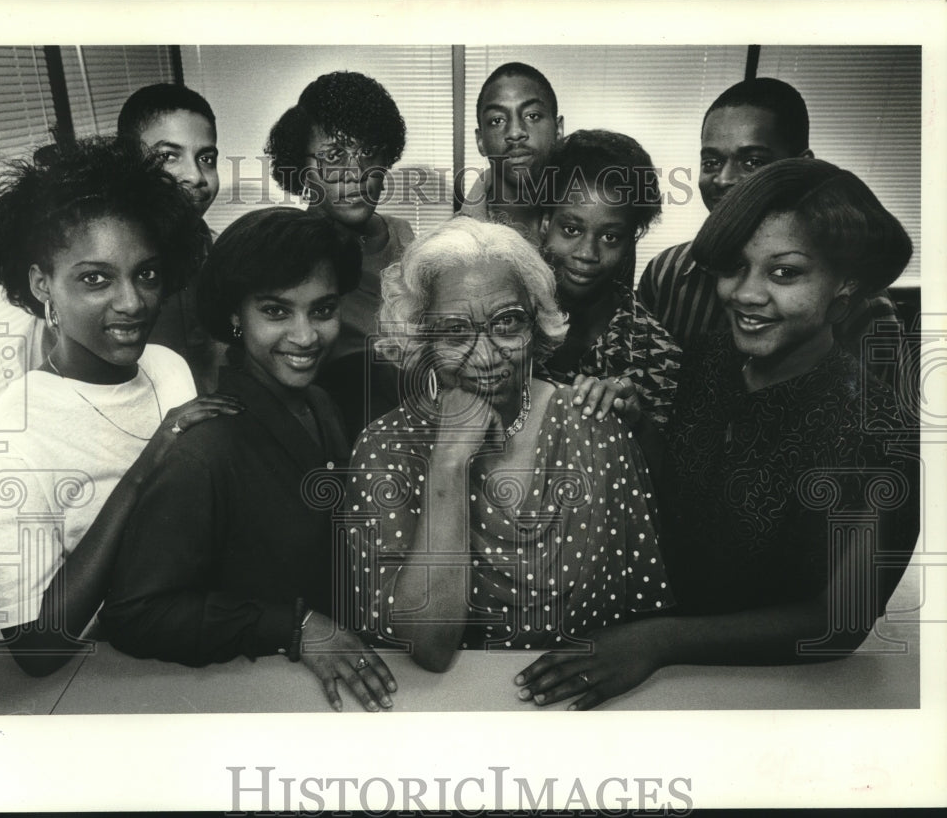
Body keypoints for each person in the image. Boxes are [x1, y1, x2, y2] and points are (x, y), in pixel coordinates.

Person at [516, 158, 919, 710]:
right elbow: (683, 495)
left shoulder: (880, 429)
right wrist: (638, 425)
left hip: (765, 690)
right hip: (652, 652)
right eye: (735, 267)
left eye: (784, 273)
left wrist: (657, 641)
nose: (746, 294)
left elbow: (839, 622)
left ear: (844, 284)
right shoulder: (712, 358)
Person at [344, 216, 673, 673]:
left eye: (508, 323)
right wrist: (448, 464)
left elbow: (639, 621)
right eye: (456, 332)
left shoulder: (594, 427)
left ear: (536, 325)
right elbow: (428, 647)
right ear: (422, 338)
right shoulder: (383, 450)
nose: (486, 355)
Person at [101, 208, 397, 714]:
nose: (306, 337)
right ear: (236, 317)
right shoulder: (207, 448)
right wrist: (295, 626)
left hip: (332, 688)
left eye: (322, 310)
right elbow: (136, 614)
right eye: (277, 312)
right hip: (249, 697)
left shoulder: (321, 406)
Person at [0, 137, 241, 677]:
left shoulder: (166, 366)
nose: (133, 302)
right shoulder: (10, 435)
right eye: (95, 278)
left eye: (147, 273)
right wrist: (145, 468)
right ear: (42, 283)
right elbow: (36, 650)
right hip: (96, 681)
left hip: (195, 640)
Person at [636, 77, 901, 365]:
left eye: (752, 162)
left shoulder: (860, 302)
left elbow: (875, 405)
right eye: (711, 162)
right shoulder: (666, 274)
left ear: (802, 165)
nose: (724, 179)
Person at [265, 71, 414, 437]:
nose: (354, 174)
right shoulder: (290, 250)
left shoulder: (404, 235)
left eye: (367, 153)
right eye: (333, 155)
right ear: (302, 168)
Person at [539, 129, 682, 425]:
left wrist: (636, 424)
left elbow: (661, 470)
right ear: (545, 222)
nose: (587, 253)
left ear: (631, 240)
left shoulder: (656, 354)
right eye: (571, 229)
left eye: (610, 236)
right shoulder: (509, 318)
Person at [117, 82, 224, 393]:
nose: (196, 176)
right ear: (127, 160)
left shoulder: (228, 259)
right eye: (168, 157)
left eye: (206, 158)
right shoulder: (92, 277)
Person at [459, 62, 564, 241]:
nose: (515, 132)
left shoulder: (596, 228)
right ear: (480, 141)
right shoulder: (451, 244)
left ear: (558, 130)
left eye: (532, 116)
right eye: (497, 120)